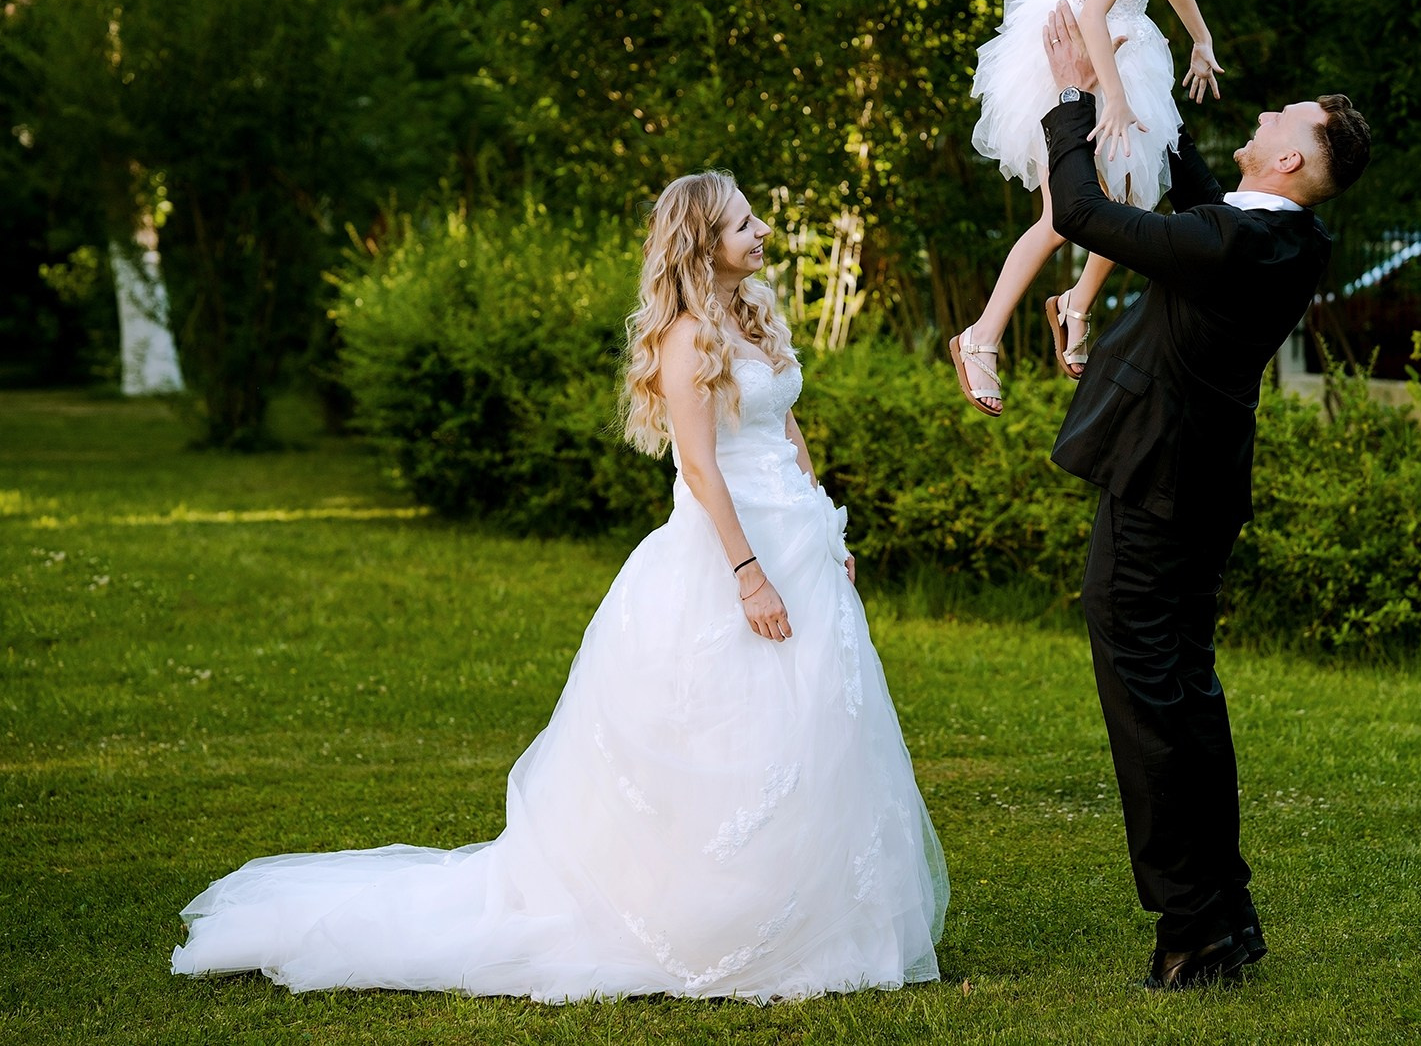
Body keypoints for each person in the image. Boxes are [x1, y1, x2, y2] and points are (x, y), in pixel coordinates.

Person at [171, 172, 948, 1004]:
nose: (761, 231)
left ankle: (821, 919)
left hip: (799, 540)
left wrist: (825, 527)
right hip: (733, 549)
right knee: (730, 732)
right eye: (743, 224)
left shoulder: (755, 316)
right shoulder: (688, 337)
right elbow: (699, 464)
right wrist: (749, 573)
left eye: (755, 220)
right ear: (700, 244)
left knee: (819, 727)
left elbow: (787, 428)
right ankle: (703, 918)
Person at [1037, 0, 1370, 989]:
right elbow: (1187, 196)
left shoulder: (1239, 245)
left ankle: (1190, 931)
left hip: (1160, 487)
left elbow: (1084, 216)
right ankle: (1222, 914)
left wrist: (1067, 105)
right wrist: (1139, 76)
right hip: (1196, 487)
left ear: (1290, 166)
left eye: (1283, 121)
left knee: (1149, 704)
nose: (1265, 117)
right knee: (1183, 696)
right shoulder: (1278, 238)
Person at [951, 0, 1227, 413]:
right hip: (1081, 65)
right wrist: (1117, 98)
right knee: (1060, 218)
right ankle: (980, 337)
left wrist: (1202, 40)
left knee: (1130, 200)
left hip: (1122, 61)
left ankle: (1074, 304)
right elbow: (1095, 15)